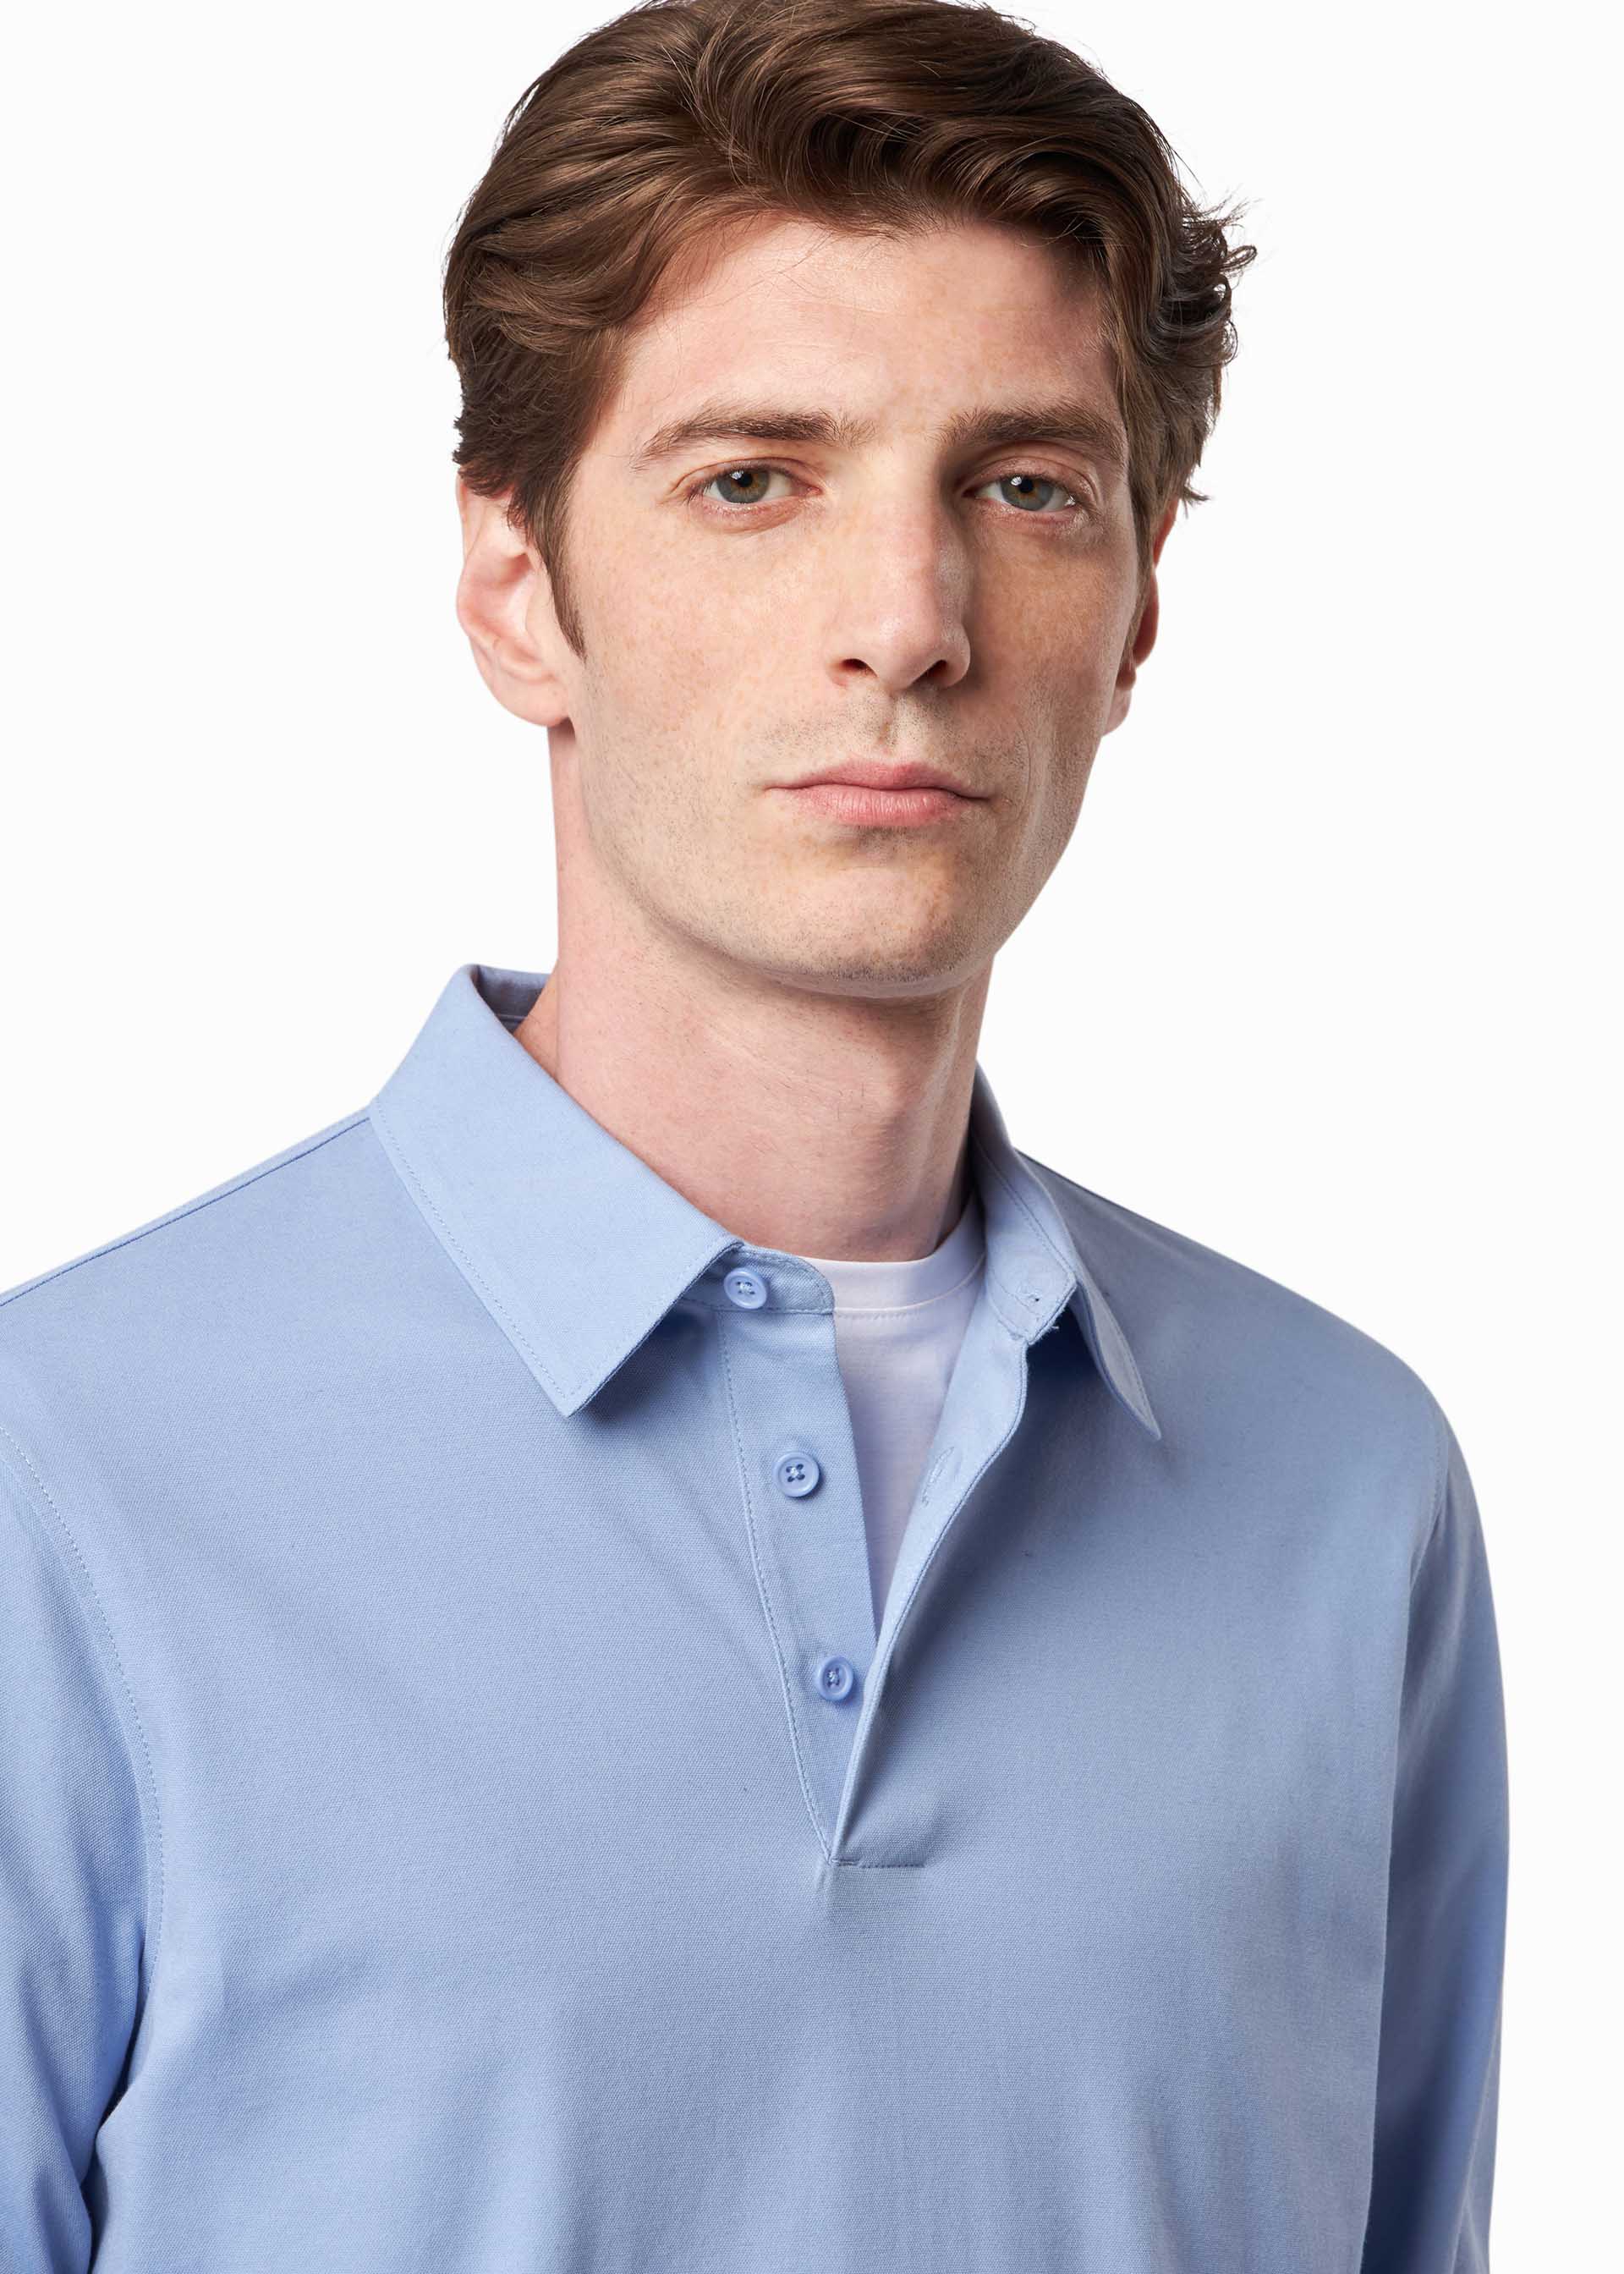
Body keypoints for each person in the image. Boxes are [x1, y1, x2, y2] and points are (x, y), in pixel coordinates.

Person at [0, 1, 1507, 2266]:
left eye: (1026, 487)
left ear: (1137, 615)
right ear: (518, 588)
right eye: (752, 480)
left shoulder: (1346, 1486)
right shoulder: (62, 1477)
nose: (906, 623)